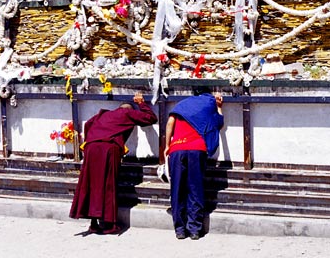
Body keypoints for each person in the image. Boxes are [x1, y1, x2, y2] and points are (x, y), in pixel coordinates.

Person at [69, 91, 157, 234]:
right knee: (109, 184)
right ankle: (110, 225)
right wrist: (141, 103)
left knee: (91, 184)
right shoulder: (127, 113)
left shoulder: (101, 115)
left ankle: (93, 223)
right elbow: (151, 118)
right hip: (108, 148)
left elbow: (88, 125)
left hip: (91, 147)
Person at [164, 86, 224, 240]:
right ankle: (195, 230)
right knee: (195, 188)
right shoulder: (209, 103)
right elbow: (219, 122)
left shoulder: (182, 105)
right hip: (197, 149)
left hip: (177, 149)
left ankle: (180, 230)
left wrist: (167, 146)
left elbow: (170, 123)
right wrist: (219, 107)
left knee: (177, 189)